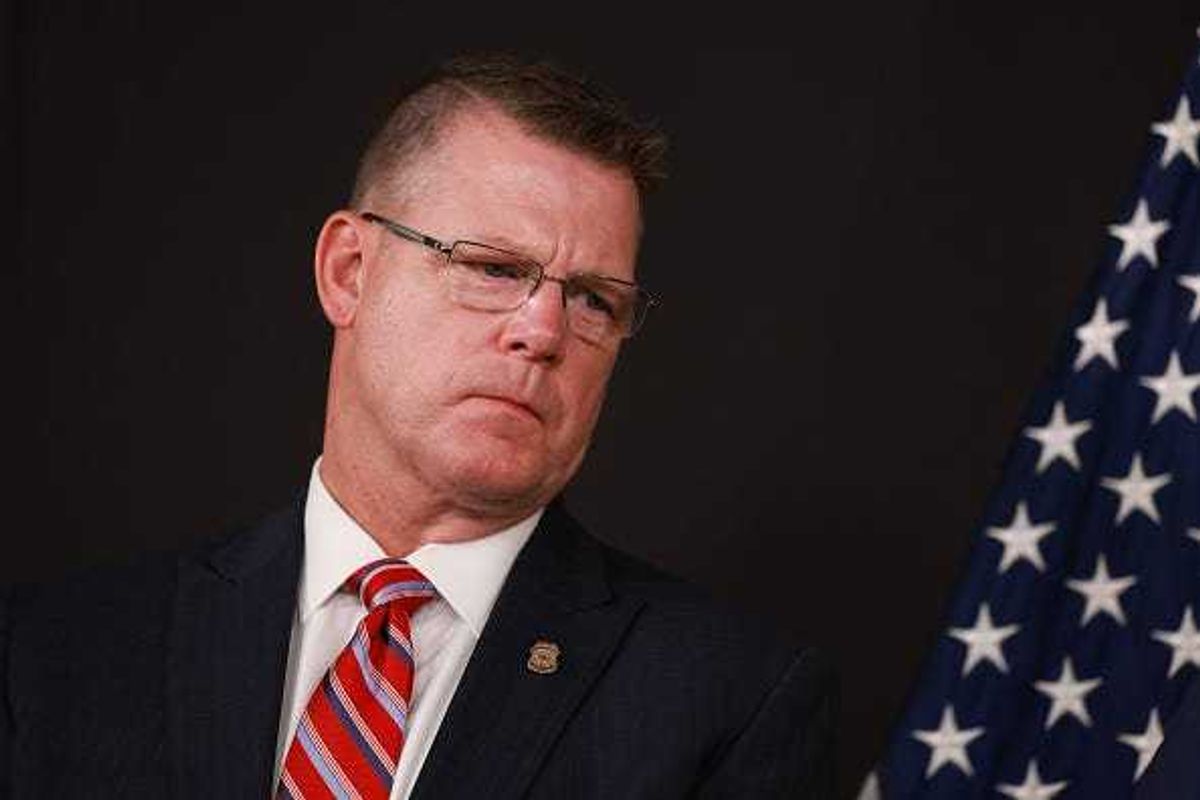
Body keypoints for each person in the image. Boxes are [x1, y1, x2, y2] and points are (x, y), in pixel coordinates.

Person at [0, 54, 835, 798]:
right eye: (494, 268)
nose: (543, 331)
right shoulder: (56, 655)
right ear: (349, 272)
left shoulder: (728, 703)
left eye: (592, 299)